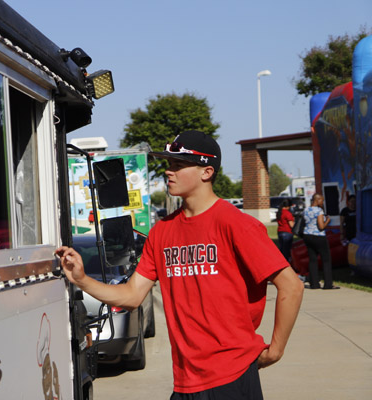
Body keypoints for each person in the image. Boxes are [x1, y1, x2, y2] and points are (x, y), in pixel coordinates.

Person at [56, 131, 304, 399]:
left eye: (178, 165)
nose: (169, 172)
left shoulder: (236, 224)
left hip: (232, 377)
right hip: (185, 381)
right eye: (169, 164)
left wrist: (276, 350)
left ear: (206, 172)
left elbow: (291, 285)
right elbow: (131, 295)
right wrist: (82, 279)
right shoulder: (162, 232)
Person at [302, 193, 338, 289]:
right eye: (321, 200)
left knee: (312, 260)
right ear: (317, 200)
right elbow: (321, 226)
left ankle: (314, 284)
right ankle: (328, 284)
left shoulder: (305, 210)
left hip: (307, 235)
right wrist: (327, 221)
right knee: (326, 260)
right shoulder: (319, 210)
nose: (322, 202)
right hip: (318, 236)